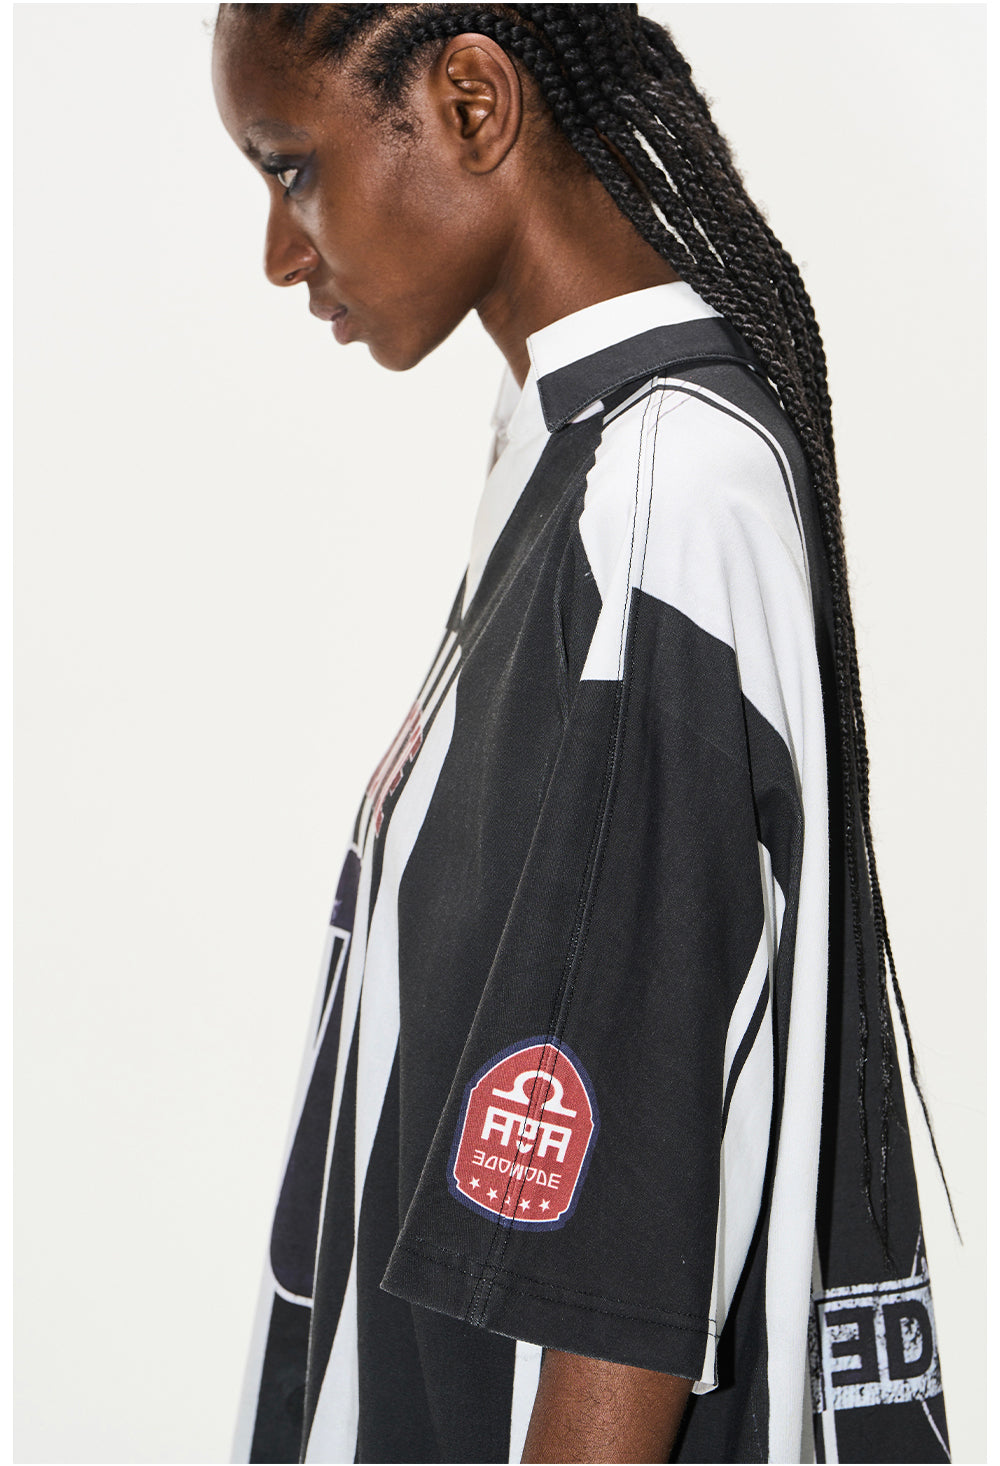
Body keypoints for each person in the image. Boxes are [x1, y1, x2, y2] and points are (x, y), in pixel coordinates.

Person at [212, 6, 953, 1462]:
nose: (280, 255)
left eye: (292, 168)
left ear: (472, 101)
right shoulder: (574, 440)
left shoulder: (660, 497)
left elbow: (618, 1282)